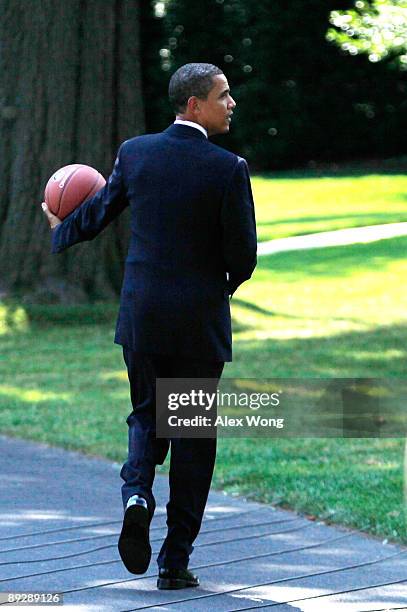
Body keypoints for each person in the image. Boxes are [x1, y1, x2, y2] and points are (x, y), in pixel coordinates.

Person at [42, 63, 257, 590]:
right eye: (222, 95)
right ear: (193, 105)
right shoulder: (229, 168)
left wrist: (59, 230)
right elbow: (244, 256)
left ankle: (137, 494)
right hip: (197, 326)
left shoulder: (134, 153)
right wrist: (217, 291)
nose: (231, 103)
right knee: (190, 436)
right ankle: (174, 561)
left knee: (145, 415)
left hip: (141, 318)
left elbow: (95, 216)